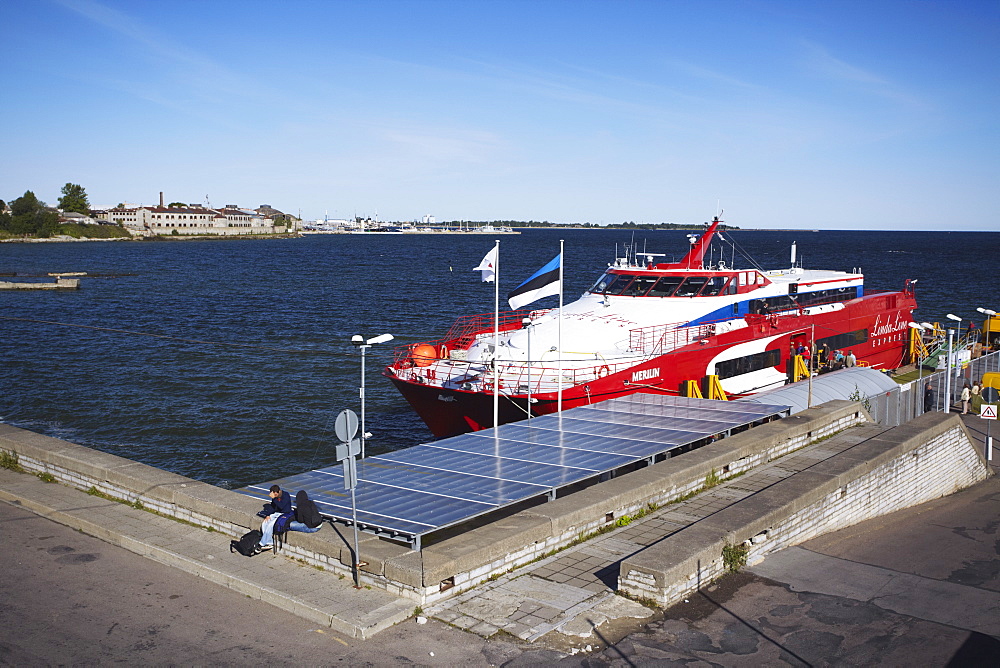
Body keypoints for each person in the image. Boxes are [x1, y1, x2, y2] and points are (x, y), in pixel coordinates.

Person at [258, 484, 292, 550]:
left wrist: (274, 498)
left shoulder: (286, 495)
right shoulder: (275, 498)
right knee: (265, 523)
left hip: (284, 513)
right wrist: (268, 515)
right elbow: (273, 507)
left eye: (275, 494)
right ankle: (269, 541)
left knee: (271, 525)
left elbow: (281, 506)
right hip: (277, 513)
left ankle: (261, 543)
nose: (275, 496)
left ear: (278, 491)